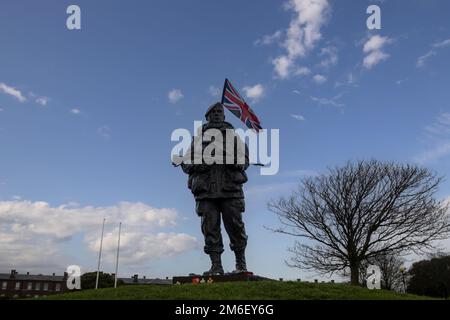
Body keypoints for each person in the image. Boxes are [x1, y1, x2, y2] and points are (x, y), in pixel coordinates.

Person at [179, 102, 249, 275]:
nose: (217, 114)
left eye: (220, 112)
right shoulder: (197, 140)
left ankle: (241, 264)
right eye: (213, 112)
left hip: (230, 188)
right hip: (206, 190)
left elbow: (245, 160)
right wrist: (198, 165)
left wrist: (235, 161)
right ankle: (216, 265)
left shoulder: (234, 138)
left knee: (235, 225)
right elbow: (185, 162)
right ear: (207, 117)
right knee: (209, 227)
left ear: (224, 116)